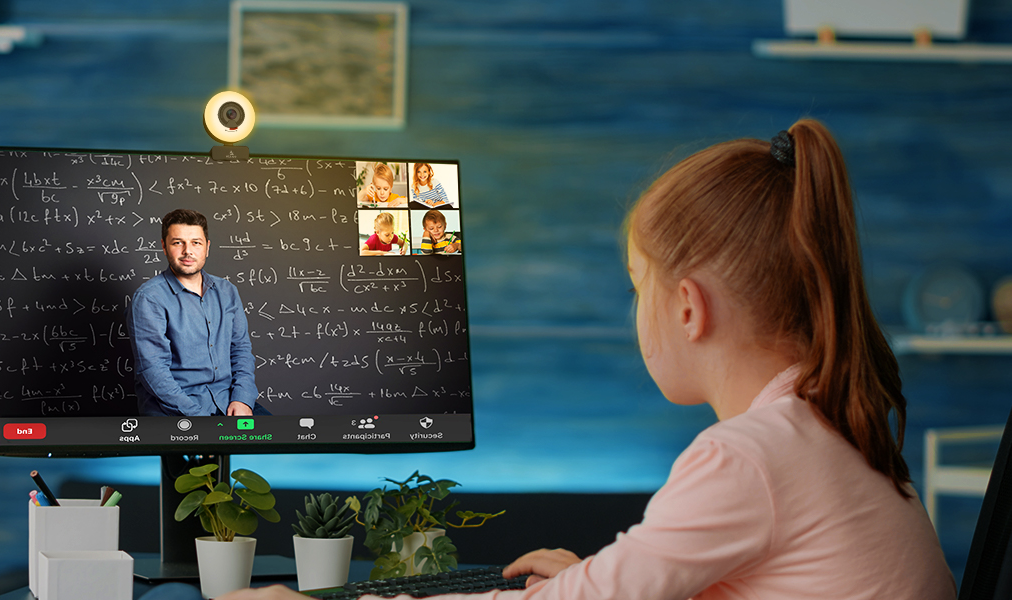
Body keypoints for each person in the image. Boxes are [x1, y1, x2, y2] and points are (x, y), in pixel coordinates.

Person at [217, 120, 955, 600]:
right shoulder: (836, 432)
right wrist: (593, 581)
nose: (638, 313)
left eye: (640, 288)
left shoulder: (747, 457)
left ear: (690, 308)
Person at [128, 209, 260, 417]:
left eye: (196, 243)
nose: (187, 251)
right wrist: (198, 417)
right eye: (177, 242)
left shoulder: (227, 291)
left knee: (280, 444)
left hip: (228, 401)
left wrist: (242, 399)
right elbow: (153, 370)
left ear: (207, 248)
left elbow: (241, 349)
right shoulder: (149, 298)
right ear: (164, 246)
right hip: (176, 408)